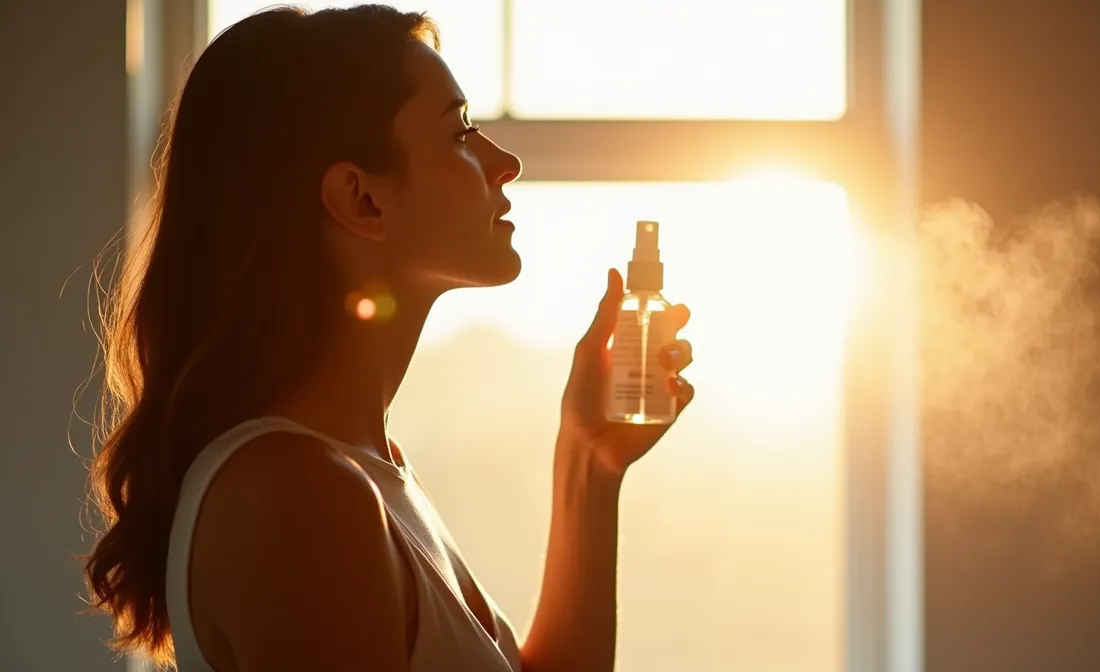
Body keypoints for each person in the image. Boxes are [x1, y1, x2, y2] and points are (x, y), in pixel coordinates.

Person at [82, 5, 695, 671]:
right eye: (460, 133)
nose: (506, 162)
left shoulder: (360, 471)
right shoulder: (300, 498)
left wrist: (590, 463)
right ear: (362, 199)